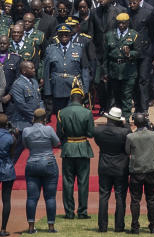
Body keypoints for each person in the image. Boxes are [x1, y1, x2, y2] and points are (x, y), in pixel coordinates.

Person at [57, 88, 94, 219]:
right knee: (83, 182)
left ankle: (69, 212)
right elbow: (90, 134)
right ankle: (82, 212)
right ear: (81, 98)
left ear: (71, 98)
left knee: (68, 182)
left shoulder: (62, 113)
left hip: (68, 149)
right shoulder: (87, 112)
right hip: (83, 148)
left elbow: (59, 134)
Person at [21, 108, 59, 233]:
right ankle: (51, 227)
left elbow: (25, 145)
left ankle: (31, 227)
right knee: (50, 197)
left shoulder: (26, 130)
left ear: (33, 118)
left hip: (32, 162)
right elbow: (57, 142)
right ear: (44, 119)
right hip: (48, 162)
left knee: (31, 197)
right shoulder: (48, 129)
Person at [93, 106, 130, 232]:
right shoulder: (124, 132)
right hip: (121, 167)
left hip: (104, 165)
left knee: (103, 196)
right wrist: (124, 124)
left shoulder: (98, 131)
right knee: (120, 197)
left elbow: (97, 141)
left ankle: (102, 226)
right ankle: (119, 226)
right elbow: (128, 133)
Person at [125, 112, 154, 233]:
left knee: (135, 200)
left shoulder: (131, 137)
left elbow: (126, 150)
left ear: (135, 123)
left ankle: (135, 227)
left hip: (136, 170)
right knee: (151, 198)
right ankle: (153, 226)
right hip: (151, 169)